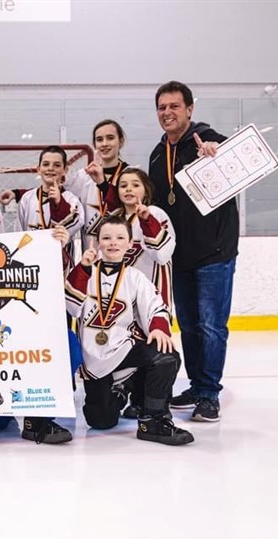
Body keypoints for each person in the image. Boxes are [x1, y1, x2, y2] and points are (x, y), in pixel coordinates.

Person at [149, 80, 236, 422]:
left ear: (189, 109)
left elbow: (234, 164)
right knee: (189, 325)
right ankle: (198, 385)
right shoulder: (158, 155)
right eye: (161, 107)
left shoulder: (208, 141)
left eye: (174, 106)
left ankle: (209, 393)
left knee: (213, 325)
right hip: (178, 256)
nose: (167, 113)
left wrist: (218, 153)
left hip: (215, 252)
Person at [65, 214, 193, 445]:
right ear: (98, 242)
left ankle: (152, 419)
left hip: (123, 350)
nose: (113, 242)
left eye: (119, 237)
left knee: (166, 357)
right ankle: (121, 389)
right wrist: (83, 268)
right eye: (107, 238)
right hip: (93, 357)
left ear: (129, 242)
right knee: (100, 420)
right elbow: (71, 307)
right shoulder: (85, 273)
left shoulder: (135, 277)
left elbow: (156, 306)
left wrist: (158, 328)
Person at [0, 202, 76, 443]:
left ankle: (37, 417)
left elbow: (49, 279)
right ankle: (4, 402)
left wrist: (57, 248)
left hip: (20, 342)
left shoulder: (12, 251)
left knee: (69, 342)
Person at [112, 167, 176, 419]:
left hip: (152, 297)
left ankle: (159, 404)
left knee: (157, 348)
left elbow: (162, 253)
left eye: (135, 184)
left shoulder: (157, 214)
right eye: (123, 185)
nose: (128, 189)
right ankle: (137, 398)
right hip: (123, 300)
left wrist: (147, 220)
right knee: (133, 347)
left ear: (146, 189)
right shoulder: (115, 218)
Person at [16, 146, 83, 272]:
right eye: (46, 164)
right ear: (38, 169)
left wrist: (59, 202)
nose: (50, 168)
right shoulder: (27, 198)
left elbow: (73, 226)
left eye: (57, 165)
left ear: (65, 170)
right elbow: (19, 233)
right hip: (32, 265)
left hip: (61, 267)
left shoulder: (71, 200)